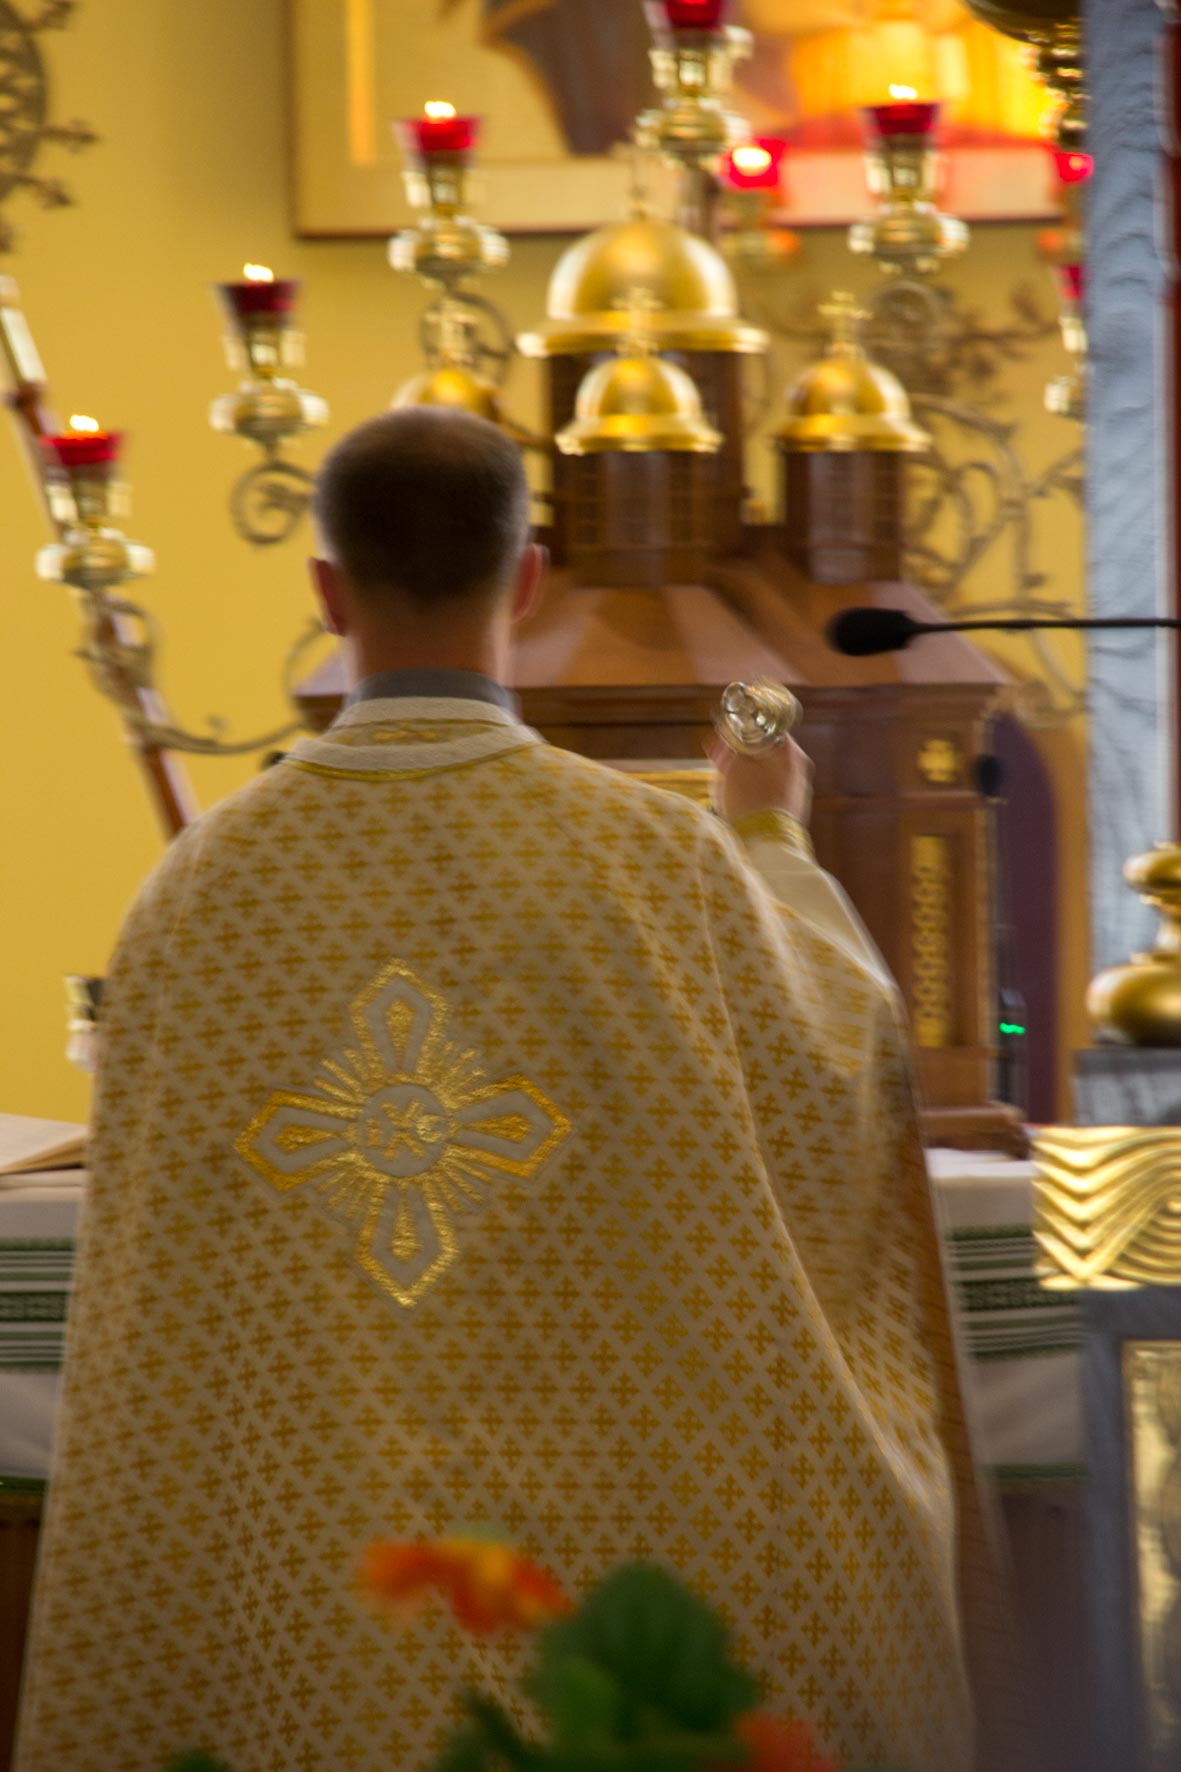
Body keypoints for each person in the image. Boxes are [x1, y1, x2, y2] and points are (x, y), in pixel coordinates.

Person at [16, 409, 1010, 1772]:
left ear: (326, 590)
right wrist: (768, 831)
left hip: (322, 1554)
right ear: (528, 576)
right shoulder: (657, 858)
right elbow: (838, 1059)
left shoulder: (200, 889)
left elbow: (160, 1280)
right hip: (603, 1533)